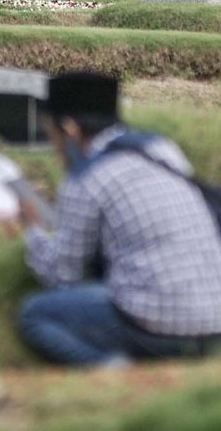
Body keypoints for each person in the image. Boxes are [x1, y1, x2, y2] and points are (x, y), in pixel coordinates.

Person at [15, 71, 221, 367]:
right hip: (215, 318)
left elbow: (61, 276)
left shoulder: (86, 178)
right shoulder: (159, 148)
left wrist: (32, 228)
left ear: (70, 129)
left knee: (35, 314)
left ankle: (113, 369)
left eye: (52, 135)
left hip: (164, 326)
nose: (55, 148)